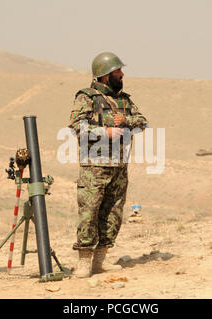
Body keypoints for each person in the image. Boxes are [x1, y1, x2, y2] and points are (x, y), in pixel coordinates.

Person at [69, 52, 148, 278]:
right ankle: (84, 262)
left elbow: (142, 123)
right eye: (117, 72)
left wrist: (126, 121)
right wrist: (105, 131)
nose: (122, 75)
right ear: (104, 76)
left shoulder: (125, 100)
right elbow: (76, 127)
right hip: (95, 168)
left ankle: (100, 261)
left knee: (113, 213)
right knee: (90, 213)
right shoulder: (87, 98)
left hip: (119, 168)